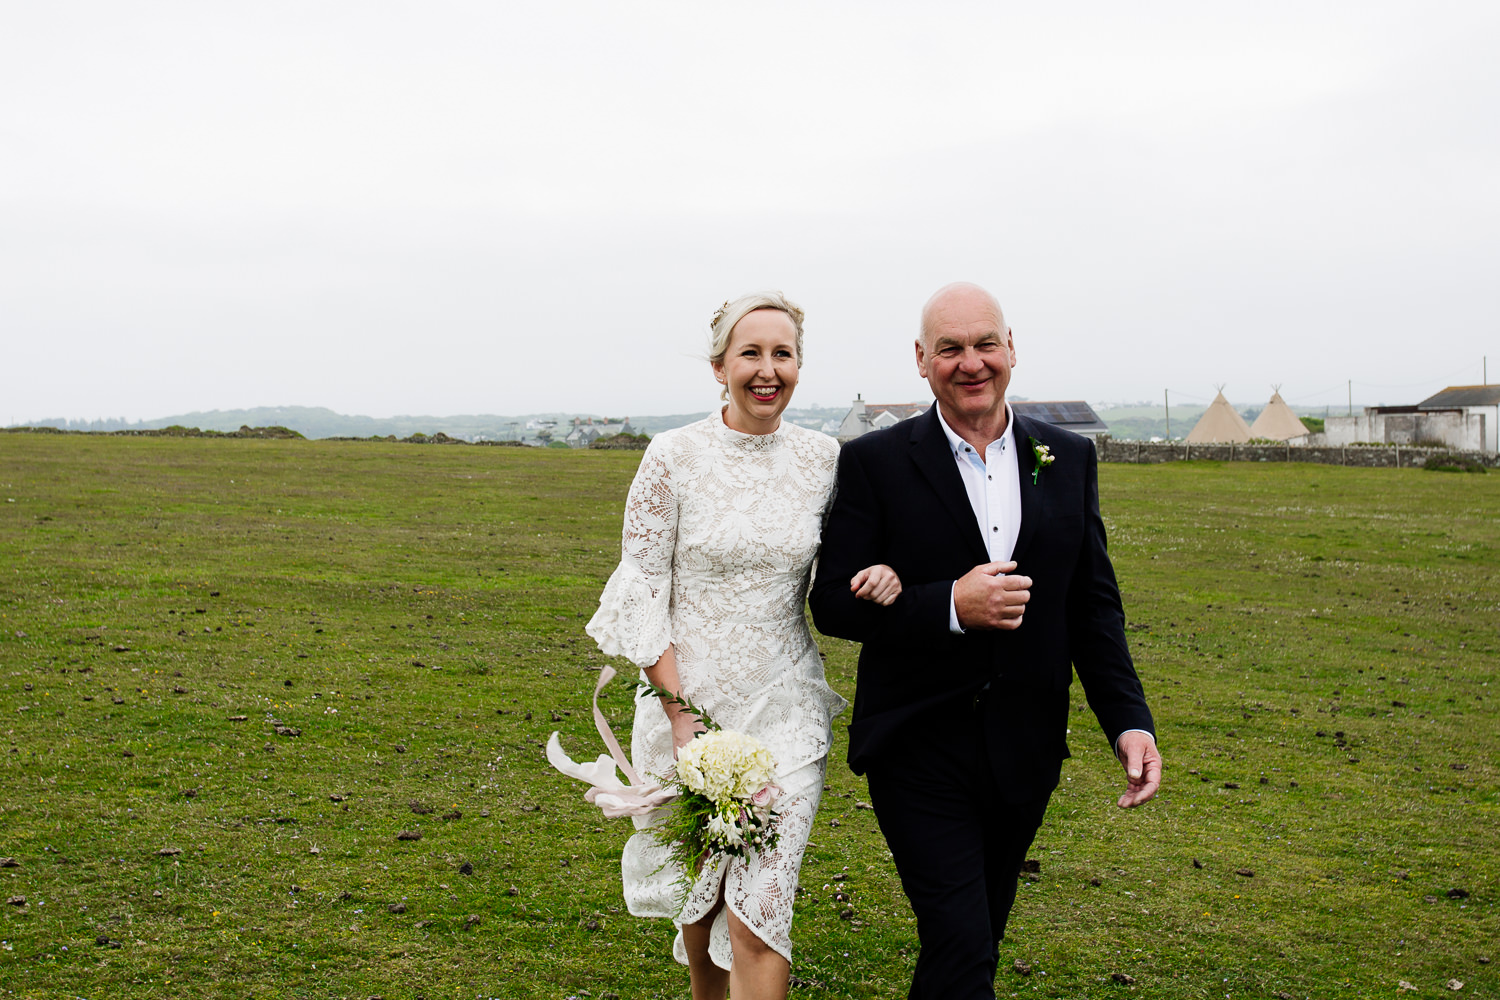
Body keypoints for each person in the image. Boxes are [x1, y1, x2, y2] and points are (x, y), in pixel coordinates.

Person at [808, 281, 1162, 999]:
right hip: (916, 743)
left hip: (1025, 749)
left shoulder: (1067, 457)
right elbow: (832, 606)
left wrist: (1127, 720)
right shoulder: (875, 462)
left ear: (1010, 349)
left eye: (984, 345)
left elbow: (1092, 607)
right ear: (921, 359)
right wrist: (948, 605)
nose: (970, 363)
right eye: (950, 349)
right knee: (962, 942)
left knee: (976, 941)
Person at [585, 292, 901, 1000]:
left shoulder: (825, 460)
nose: (767, 370)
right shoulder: (672, 457)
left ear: (798, 364)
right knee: (701, 919)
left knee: (758, 914)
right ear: (719, 366)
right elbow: (643, 592)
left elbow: (842, 566)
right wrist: (679, 717)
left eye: (782, 354)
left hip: (786, 708)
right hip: (686, 711)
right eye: (750, 354)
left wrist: (876, 575)